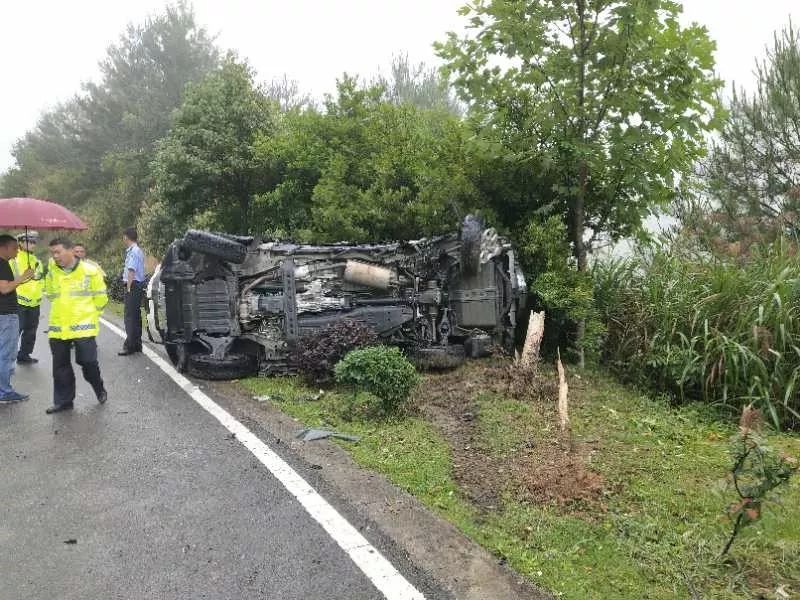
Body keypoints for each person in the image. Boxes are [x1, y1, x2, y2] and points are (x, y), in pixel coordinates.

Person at [45, 238, 108, 413]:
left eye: (58, 252)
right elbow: (50, 294)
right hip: (58, 327)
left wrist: (91, 316)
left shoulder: (90, 271)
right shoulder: (52, 271)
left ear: (71, 250)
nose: (55, 256)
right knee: (60, 367)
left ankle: (99, 388)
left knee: (87, 362)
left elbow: (101, 298)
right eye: (52, 253)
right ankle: (64, 401)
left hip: (84, 325)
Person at [0, 234, 33, 404]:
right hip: (6, 315)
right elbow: (4, 289)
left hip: (3, 314)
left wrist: (22, 279)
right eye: (14, 248)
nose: (17, 251)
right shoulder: (2, 263)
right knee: (6, 354)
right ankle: (4, 392)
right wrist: (22, 277)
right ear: (4, 247)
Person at [11, 231, 44, 364]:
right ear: (20, 243)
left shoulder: (37, 261)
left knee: (31, 332)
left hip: (35, 303)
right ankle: (6, 358)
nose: (32, 244)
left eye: (34, 242)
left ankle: (24, 355)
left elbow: (41, 280)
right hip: (18, 301)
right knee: (14, 332)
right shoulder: (14, 259)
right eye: (28, 241)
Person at [119, 227, 145, 356]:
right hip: (137, 285)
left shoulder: (133, 251)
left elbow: (131, 270)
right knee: (135, 316)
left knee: (129, 317)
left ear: (126, 237)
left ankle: (130, 346)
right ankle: (137, 344)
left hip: (133, 285)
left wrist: (128, 287)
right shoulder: (137, 250)